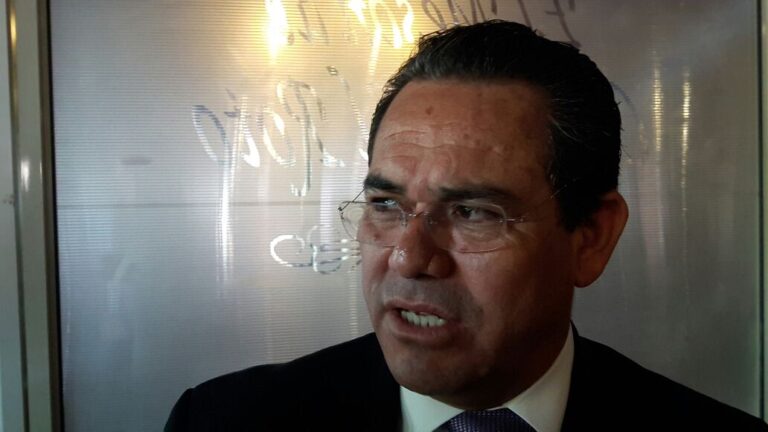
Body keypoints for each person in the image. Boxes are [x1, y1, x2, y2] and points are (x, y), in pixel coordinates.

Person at [165, 20, 767, 431]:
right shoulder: (225, 421)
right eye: (386, 205)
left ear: (591, 237)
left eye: (473, 213)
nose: (409, 257)